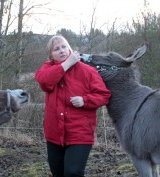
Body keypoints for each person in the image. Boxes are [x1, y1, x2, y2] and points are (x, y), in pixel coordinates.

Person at [35, 35, 111, 177]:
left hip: (80, 132)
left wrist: (85, 100)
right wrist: (66, 65)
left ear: (69, 48)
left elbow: (103, 95)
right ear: (51, 55)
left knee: (73, 173)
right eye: (56, 49)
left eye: (64, 46)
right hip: (54, 134)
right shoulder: (47, 69)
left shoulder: (87, 70)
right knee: (57, 173)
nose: (61, 50)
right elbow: (44, 82)